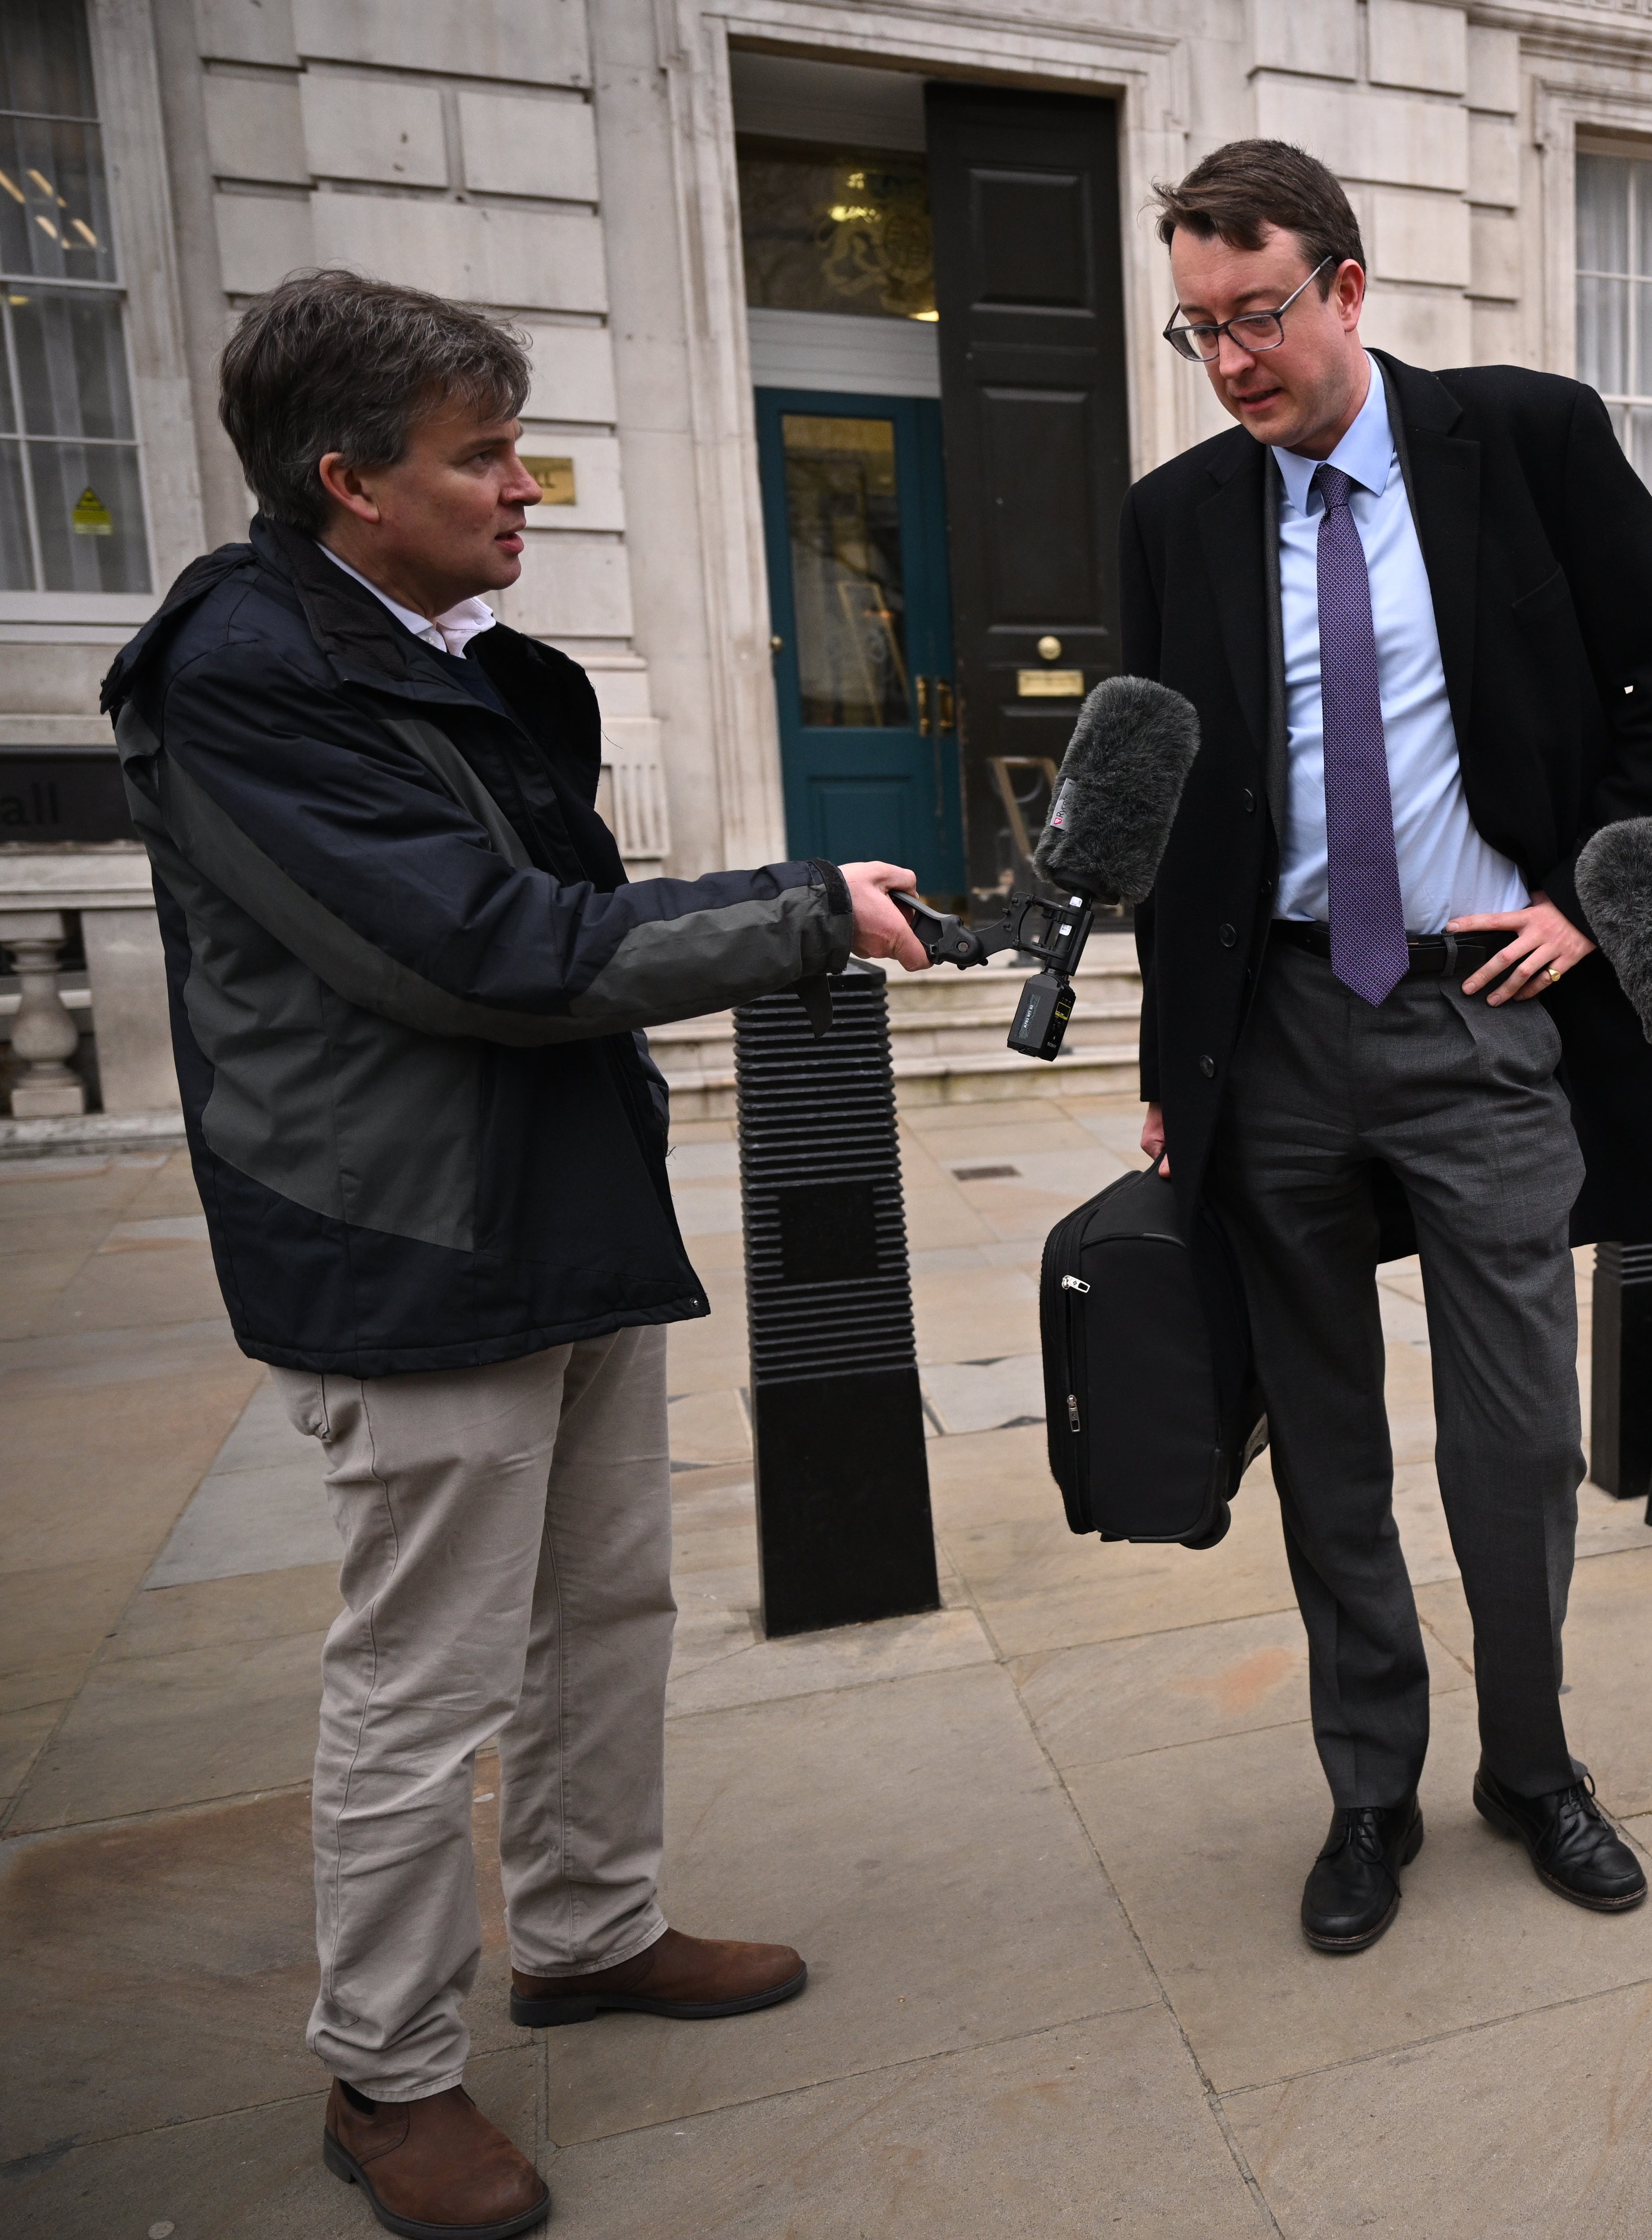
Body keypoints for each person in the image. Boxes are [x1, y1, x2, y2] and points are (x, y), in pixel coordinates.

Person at [101, 269, 932, 2240]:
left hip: (561, 1203)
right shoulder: (243, 673)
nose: (521, 486)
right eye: (480, 456)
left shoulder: (472, 661)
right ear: (347, 483)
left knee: (608, 1612)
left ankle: (585, 1926)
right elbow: (477, 949)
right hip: (408, 1240)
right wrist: (804, 913)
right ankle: (386, 2075)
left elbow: (559, 918)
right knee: (423, 1680)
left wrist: (782, 906)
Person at [1118, 141, 1652, 1953]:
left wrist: (1589, 900)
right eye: (1201, 327)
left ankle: (1533, 1767)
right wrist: (1173, 1068)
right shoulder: (1176, 521)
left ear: (1350, 289)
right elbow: (1162, 813)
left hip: (1486, 1014)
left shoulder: (1523, 440)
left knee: (1516, 1438)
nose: (1235, 361)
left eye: (1262, 315)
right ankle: (1369, 1789)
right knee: (1323, 1442)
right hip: (1280, 1024)